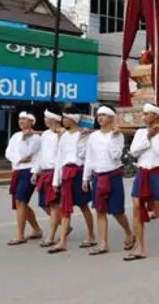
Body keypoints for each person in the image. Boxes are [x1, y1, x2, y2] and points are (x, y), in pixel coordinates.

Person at [125, 103, 159, 260]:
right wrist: (148, 136)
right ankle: (140, 247)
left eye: (148, 114)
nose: (145, 116)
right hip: (142, 172)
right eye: (144, 114)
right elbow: (134, 151)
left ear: (156, 116)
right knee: (136, 208)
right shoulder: (140, 132)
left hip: (157, 173)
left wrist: (156, 134)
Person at [83, 105, 134, 256]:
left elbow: (115, 156)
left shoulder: (118, 136)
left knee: (117, 211)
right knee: (100, 211)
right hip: (98, 177)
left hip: (113, 176)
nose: (100, 118)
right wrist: (85, 178)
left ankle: (129, 233)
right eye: (99, 115)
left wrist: (113, 136)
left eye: (104, 115)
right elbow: (89, 158)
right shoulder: (93, 136)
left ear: (111, 118)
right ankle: (103, 243)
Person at [48, 105, 95, 254]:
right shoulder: (63, 136)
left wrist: (86, 179)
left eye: (65, 117)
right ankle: (62, 241)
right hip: (66, 173)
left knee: (83, 206)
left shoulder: (83, 135)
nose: (62, 120)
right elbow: (59, 159)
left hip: (79, 172)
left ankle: (91, 235)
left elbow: (86, 157)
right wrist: (56, 181)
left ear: (73, 119)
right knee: (65, 207)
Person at [5, 111, 43, 246]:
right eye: (20, 119)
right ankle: (36, 229)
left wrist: (25, 140)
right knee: (20, 202)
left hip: (29, 171)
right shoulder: (16, 136)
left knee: (20, 200)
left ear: (31, 122)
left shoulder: (36, 138)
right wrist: (20, 160)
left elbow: (30, 154)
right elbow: (9, 152)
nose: (21, 121)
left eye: (24, 119)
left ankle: (20, 235)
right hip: (17, 169)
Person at [32, 105, 64, 249]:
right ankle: (64, 224)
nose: (44, 120)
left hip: (55, 172)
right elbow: (40, 155)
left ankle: (51, 236)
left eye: (46, 117)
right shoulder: (44, 135)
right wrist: (35, 171)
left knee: (54, 205)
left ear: (52, 118)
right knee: (43, 203)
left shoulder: (62, 134)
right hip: (44, 173)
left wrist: (58, 177)